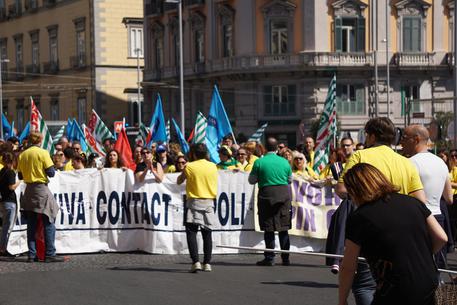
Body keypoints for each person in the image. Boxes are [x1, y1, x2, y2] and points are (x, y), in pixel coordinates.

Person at [336, 117, 425, 305]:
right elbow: (420, 201)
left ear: (372, 136)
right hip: (404, 231)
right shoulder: (405, 162)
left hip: (370, 227)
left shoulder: (361, 156)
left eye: (367, 135)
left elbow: (342, 189)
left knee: (364, 285)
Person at [339, 163, 447, 305]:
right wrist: (420, 255)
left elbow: (348, 266)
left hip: (395, 287)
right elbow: (441, 237)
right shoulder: (413, 202)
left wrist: (342, 299)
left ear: (356, 190)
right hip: (429, 281)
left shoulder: (359, 217)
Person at [401, 125, 453, 268]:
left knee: (415, 267)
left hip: (415, 220)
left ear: (416, 139)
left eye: (404, 138)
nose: (401, 142)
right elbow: (449, 198)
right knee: (435, 268)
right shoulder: (440, 162)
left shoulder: (409, 163)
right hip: (438, 219)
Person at [17, 132, 65, 263]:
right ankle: (50, 253)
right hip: (41, 189)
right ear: (40, 140)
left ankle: (31, 255)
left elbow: (20, 176)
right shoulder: (43, 153)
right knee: (48, 221)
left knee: (31, 224)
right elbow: (51, 173)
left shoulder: (23, 155)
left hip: (28, 190)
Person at [249, 137, 292, 266]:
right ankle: (286, 258)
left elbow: (251, 180)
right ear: (277, 147)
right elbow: (290, 180)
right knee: (283, 228)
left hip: (266, 195)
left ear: (265, 148)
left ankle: (269, 257)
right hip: (283, 195)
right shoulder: (285, 162)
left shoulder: (259, 162)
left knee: (269, 228)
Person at [177, 143, 218, 273]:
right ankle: (207, 263)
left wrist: (185, 170)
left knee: (192, 233)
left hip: (194, 201)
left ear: (193, 154)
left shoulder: (189, 166)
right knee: (207, 233)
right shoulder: (213, 166)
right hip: (209, 202)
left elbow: (179, 180)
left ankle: (195, 262)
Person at [0, 152, 20, 256]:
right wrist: (19, 182)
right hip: (10, 201)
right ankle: (5, 248)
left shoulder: (2, 171)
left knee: (4, 226)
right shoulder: (10, 172)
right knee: (8, 227)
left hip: (3, 201)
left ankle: (2, 247)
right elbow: (11, 187)